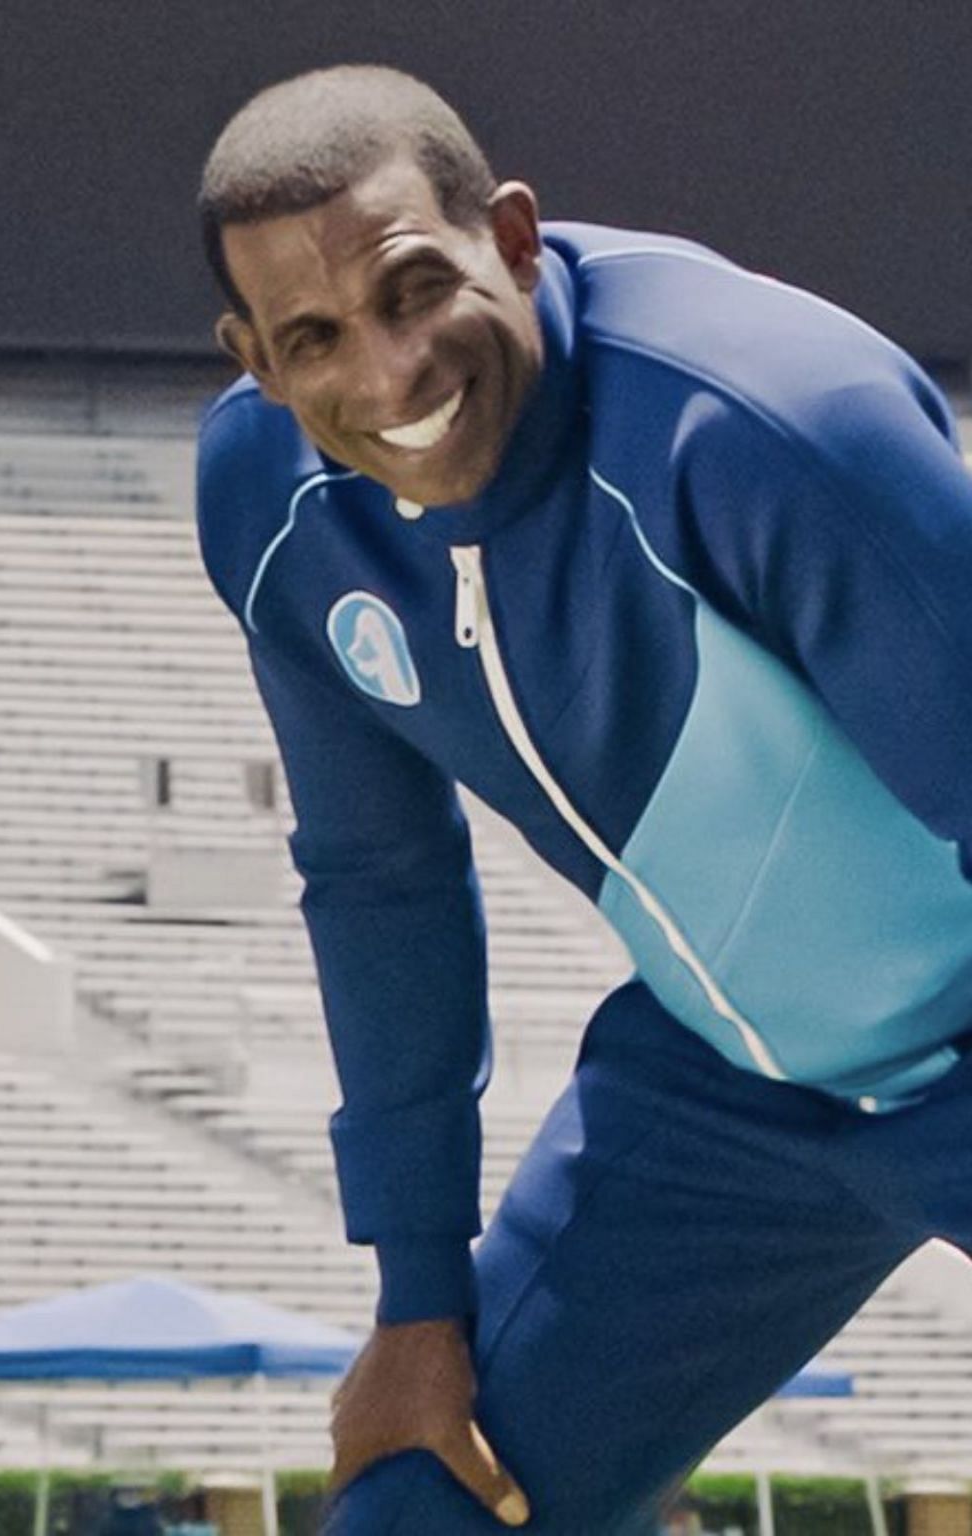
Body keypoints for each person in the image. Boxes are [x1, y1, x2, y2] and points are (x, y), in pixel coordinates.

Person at [194, 64, 972, 1534]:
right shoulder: (271, 508)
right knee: (420, 1507)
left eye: (416, 289)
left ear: (513, 235)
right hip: (727, 1096)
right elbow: (381, 881)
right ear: (254, 355)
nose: (389, 374)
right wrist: (417, 1295)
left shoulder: (763, 424)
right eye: (312, 340)